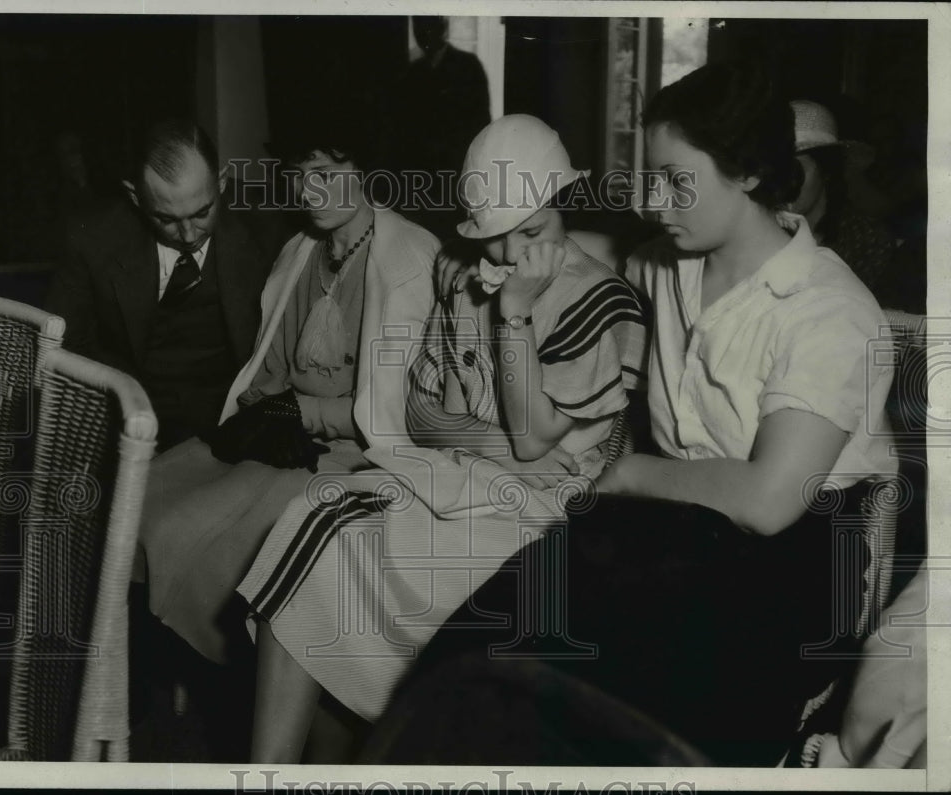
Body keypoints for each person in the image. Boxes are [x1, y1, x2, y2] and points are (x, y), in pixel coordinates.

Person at [384, 62, 898, 767]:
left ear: (748, 171)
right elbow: (564, 249)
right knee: (483, 644)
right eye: (650, 177)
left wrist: (628, 472)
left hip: (795, 559)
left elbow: (771, 500)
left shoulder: (829, 310)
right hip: (675, 522)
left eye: (675, 180)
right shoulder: (667, 263)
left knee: (619, 704)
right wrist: (507, 253)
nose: (654, 200)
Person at [236, 114, 650, 762]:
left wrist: (513, 314)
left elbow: (536, 443)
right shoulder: (459, 273)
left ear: (561, 202)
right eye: (496, 239)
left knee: (324, 531)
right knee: (311, 520)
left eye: (532, 232)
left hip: (547, 513)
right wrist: (488, 443)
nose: (513, 256)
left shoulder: (599, 300)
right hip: (461, 474)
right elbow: (422, 411)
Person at [133, 113, 439, 738]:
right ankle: (165, 685)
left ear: (365, 172)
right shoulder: (301, 251)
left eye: (325, 175)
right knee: (146, 500)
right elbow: (268, 368)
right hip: (284, 437)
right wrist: (263, 413)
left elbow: (405, 406)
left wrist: (313, 414)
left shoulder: (411, 256)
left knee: (207, 529)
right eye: (299, 177)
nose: (308, 193)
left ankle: (227, 696)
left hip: (360, 458)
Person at [46, 118, 273, 451]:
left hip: (235, 419)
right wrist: (129, 404)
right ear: (135, 198)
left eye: (202, 213)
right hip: (130, 420)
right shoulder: (92, 238)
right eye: (166, 219)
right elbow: (62, 342)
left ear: (221, 181)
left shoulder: (267, 223)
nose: (188, 235)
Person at [393, 16, 491, 239]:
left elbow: (480, 123)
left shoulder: (467, 67)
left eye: (430, 26)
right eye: (419, 27)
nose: (424, 33)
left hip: (456, 176)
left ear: (443, 28)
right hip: (420, 181)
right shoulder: (412, 74)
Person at [788, 100, 896, 299]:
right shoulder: (762, 232)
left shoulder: (865, 240)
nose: (784, 182)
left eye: (795, 170)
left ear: (826, 170)